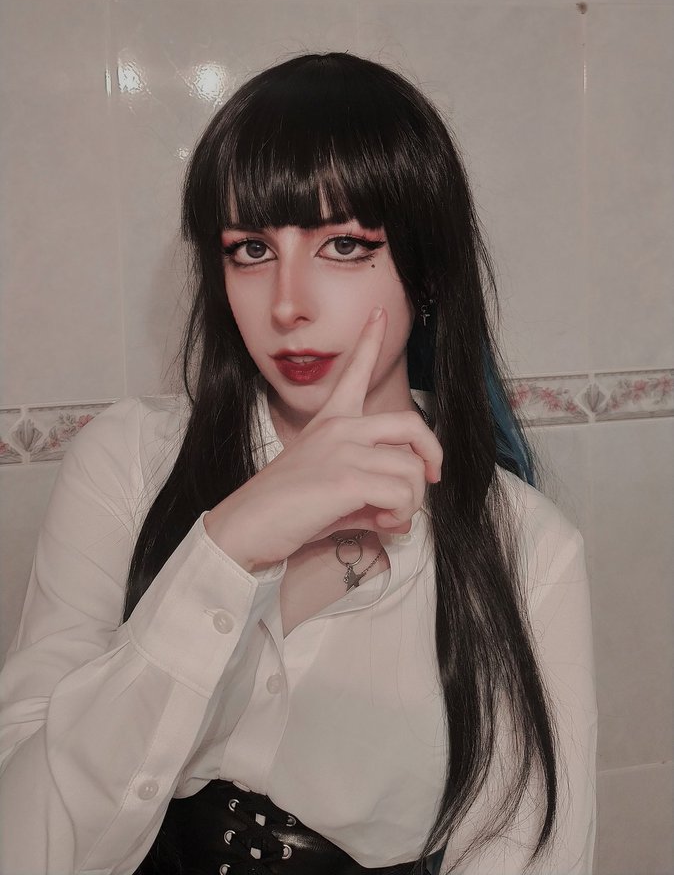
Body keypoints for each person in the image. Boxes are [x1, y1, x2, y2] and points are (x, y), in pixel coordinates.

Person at [0, 53, 597, 875]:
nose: (287, 303)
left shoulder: (528, 549)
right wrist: (228, 545)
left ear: (426, 272)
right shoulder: (131, 460)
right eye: (251, 249)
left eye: (344, 245)